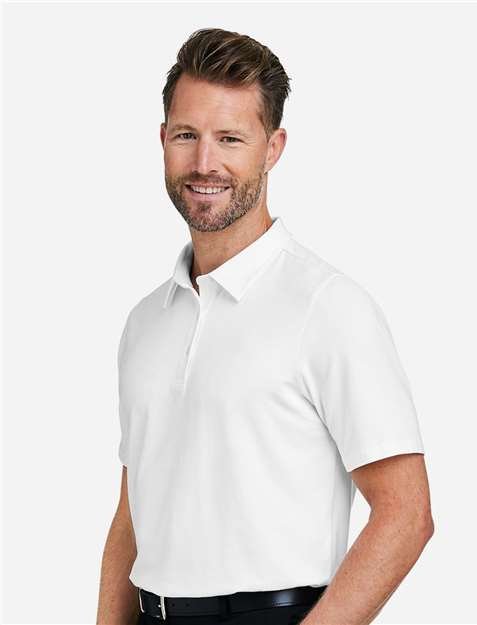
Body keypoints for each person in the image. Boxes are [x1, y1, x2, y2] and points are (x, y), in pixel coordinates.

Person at [96, 27, 434, 625]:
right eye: (187, 135)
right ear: (163, 139)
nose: (205, 163)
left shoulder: (329, 307)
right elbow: (133, 513)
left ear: (273, 148)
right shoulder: (146, 321)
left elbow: (406, 515)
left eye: (230, 138)